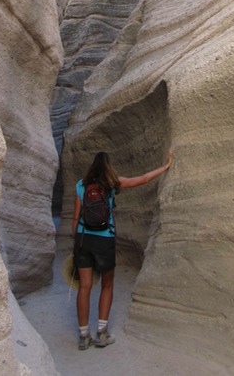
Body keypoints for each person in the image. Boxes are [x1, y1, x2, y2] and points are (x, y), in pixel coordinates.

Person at [72, 148, 174, 350]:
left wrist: (76, 243)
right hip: (104, 240)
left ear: (92, 166)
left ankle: (84, 335)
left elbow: (76, 217)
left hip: (84, 240)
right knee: (107, 285)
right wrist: (165, 167)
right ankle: (102, 333)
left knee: (84, 287)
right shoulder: (112, 183)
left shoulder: (81, 186)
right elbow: (143, 179)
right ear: (108, 167)